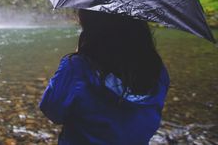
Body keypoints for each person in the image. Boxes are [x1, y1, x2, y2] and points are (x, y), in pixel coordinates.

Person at [39, 9, 170, 145]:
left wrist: (79, 56)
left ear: (92, 26)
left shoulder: (76, 68)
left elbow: (52, 111)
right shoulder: (157, 70)